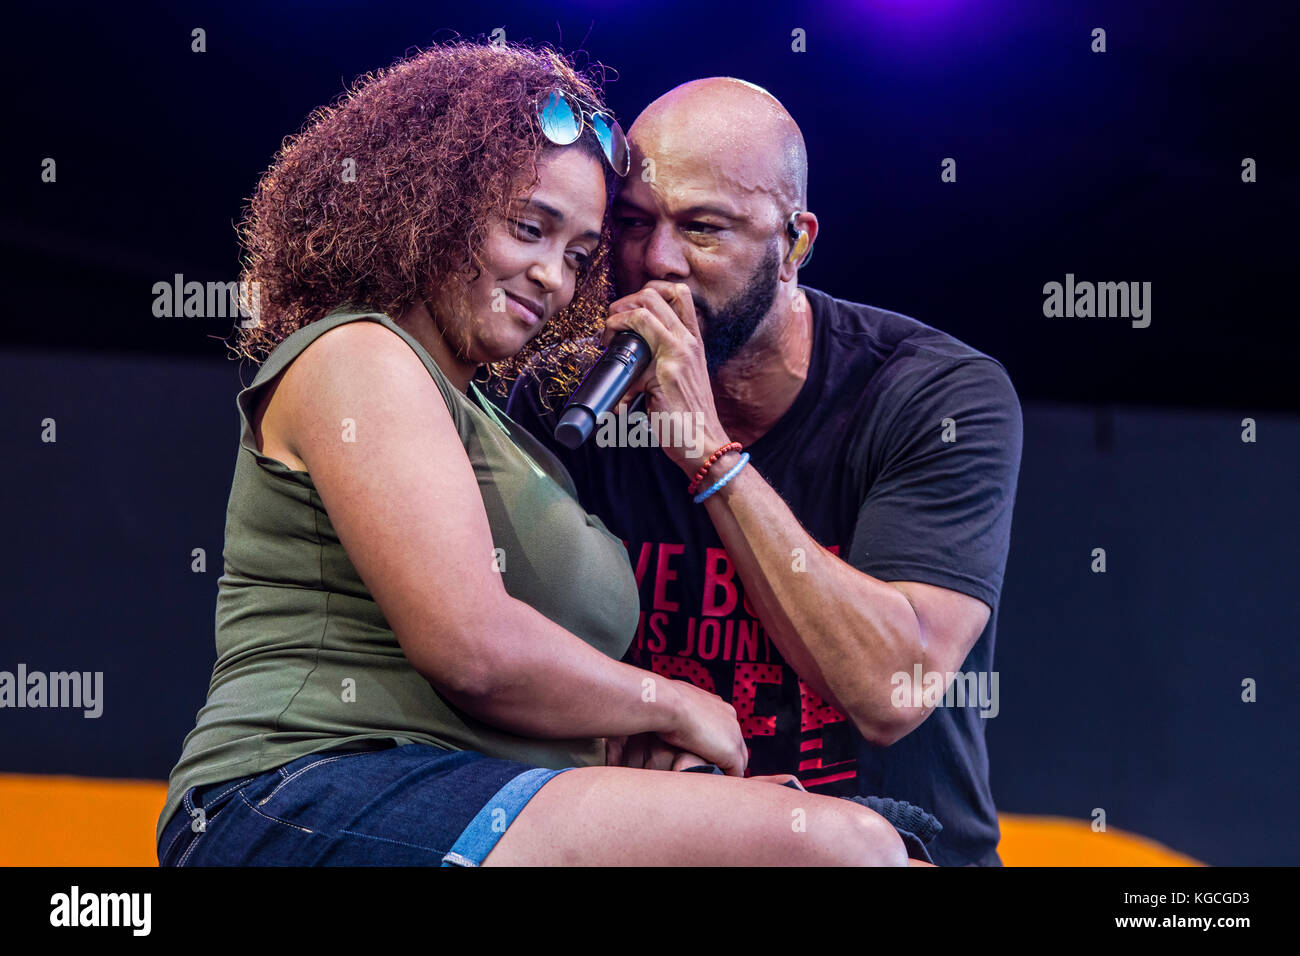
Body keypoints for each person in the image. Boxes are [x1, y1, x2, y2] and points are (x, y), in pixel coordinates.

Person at [155, 42, 924, 867]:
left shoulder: (498, 425)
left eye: (581, 255)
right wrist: (669, 704)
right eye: (530, 228)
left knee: (862, 844)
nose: (552, 276)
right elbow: (471, 650)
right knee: (847, 846)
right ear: (431, 202)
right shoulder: (359, 356)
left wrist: (650, 770)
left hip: (454, 793)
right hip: (300, 795)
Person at [506, 77, 1024, 867]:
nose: (657, 262)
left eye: (704, 228)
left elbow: (895, 690)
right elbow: (509, 660)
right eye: (634, 225)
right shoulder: (565, 401)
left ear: (797, 243)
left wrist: (707, 449)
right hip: (672, 844)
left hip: (898, 850)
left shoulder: (937, 395)